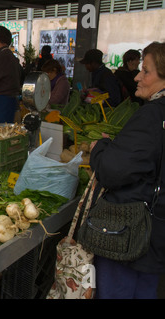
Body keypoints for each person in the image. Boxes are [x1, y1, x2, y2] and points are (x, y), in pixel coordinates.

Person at [89, 41, 165, 299]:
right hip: (156, 236)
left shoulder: (152, 117)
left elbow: (112, 170)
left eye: (146, 71)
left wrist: (100, 147)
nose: (137, 77)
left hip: (132, 236)